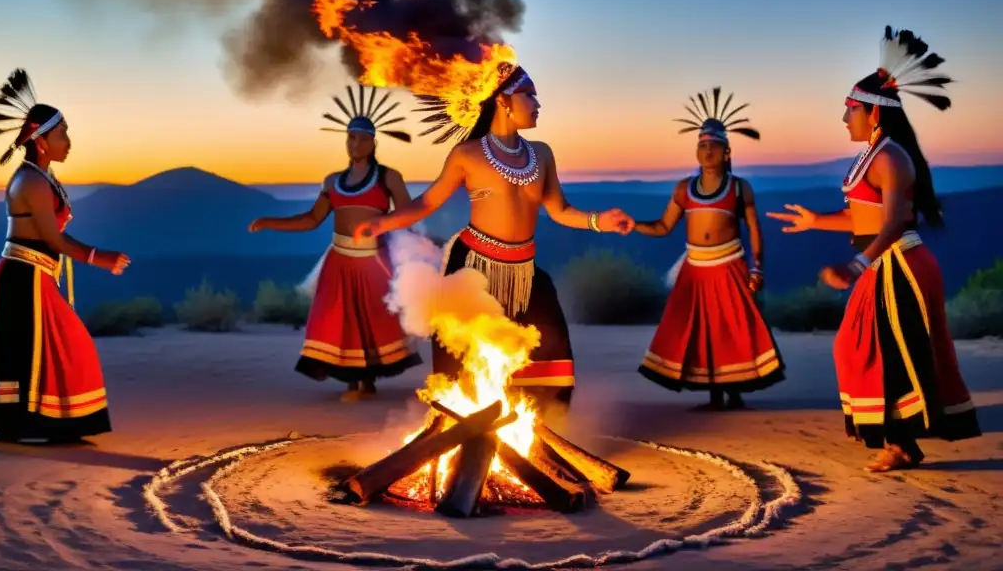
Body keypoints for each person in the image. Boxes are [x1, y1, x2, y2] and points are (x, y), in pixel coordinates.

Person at [353, 63, 634, 415]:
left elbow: (560, 210)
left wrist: (599, 221)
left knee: (549, 344)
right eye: (529, 95)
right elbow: (427, 202)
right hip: (472, 272)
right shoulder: (467, 155)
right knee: (464, 358)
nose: (537, 104)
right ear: (503, 101)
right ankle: (463, 428)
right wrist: (383, 224)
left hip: (525, 272)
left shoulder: (542, 154)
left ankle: (538, 429)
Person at [768, 26, 981, 472]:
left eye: (850, 111)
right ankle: (900, 442)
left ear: (874, 114)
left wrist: (856, 263)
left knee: (888, 353)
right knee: (855, 346)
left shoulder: (890, 158)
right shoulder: (871, 155)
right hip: (880, 265)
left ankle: (902, 445)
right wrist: (814, 222)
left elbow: (892, 223)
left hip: (899, 265)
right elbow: (859, 218)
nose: (844, 119)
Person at [0, 69, 130, 443]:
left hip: (32, 276)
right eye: (62, 134)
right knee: (59, 346)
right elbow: (52, 238)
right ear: (41, 142)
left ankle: (42, 424)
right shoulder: (30, 181)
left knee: (43, 349)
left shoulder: (41, 177)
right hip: (22, 278)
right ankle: (44, 424)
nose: (68, 142)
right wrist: (99, 257)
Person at [249, 84, 422, 401]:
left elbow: (409, 215)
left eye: (359, 138)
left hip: (374, 260)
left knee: (372, 319)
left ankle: (366, 382)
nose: (353, 143)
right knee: (338, 319)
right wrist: (270, 222)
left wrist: (396, 238)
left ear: (372, 142)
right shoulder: (333, 181)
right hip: (339, 260)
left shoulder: (388, 178)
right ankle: (353, 382)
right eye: (349, 137)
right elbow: (312, 219)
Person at [632, 87, 785, 410]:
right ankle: (715, 395)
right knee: (701, 331)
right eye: (701, 145)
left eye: (713, 145)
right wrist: (632, 224)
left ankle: (734, 393)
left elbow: (755, 230)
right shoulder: (684, 189)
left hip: (730, 264)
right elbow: (662, 227)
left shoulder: (740, 188)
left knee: (732, 328)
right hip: (695, 268)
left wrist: (757, 269)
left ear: (726, 151)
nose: (707, 151)